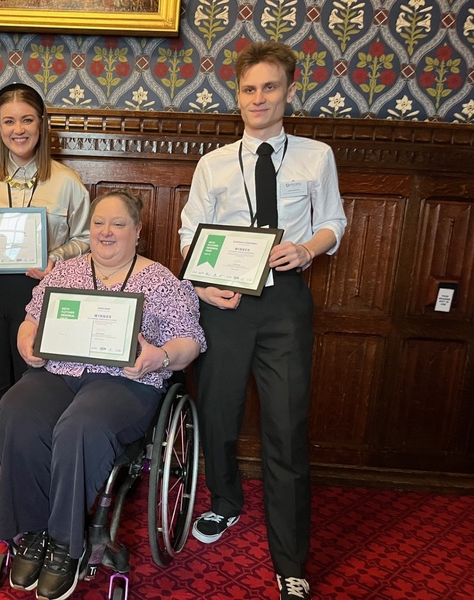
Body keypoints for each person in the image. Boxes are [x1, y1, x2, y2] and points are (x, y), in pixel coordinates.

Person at [179, 42, 347, 600]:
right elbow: (188, 234)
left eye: (269, 87)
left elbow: (334, 222)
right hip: (224, 304)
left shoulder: (316, 156)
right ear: (238, 95)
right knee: (218, 415)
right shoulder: (213, 164)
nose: (258, 98)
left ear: (289, 92)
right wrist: (204, 286)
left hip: (285, 305)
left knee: (286, 427)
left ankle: (290, 559)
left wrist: (307, 249)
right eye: (249, 88)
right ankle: (225, 502)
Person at [0, 190, 206, 600]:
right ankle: (34, 532)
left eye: (118, 224)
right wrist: (26, 342)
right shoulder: (65, 272)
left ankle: (65, 543)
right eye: (98, 223)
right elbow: (30, 321)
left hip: (126, 382)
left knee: (82, 425)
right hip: (60, 374)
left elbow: (191, 341)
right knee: (16, 411)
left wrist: (160, 356)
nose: (106, 231)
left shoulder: (162, 281)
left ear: (137, 231)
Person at [0, 82, 90, 508]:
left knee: (35, 383)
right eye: (9, 121)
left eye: (27, 119)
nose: (19, 129)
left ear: (42, 123)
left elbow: (86, 239)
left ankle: (34, 466)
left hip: (41, 295)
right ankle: (0, 471)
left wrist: (55, 257)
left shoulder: (67, 182)